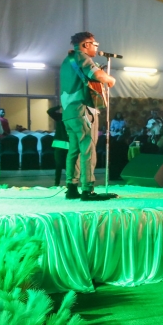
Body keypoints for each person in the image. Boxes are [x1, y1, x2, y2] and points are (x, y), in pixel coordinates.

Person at [59, 32, 116, 201]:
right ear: (85, 45)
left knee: (74, 150)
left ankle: (71, 187)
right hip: (82, 110)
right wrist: (110, 79)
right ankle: (87, 189)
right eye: (94, 44)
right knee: (88, 149)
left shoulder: (66, 61)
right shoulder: (81, 57)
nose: (96, 47)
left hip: (68, 112)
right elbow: (96, 75)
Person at [46, 105, 70, 186]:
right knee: (59, 164)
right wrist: (60, 106)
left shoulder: (72, 118)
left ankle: (69, 183)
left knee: (69, 165)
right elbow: (50, 111)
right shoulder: (60, 117)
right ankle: (57, 183)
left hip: (68, 144)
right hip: (60, 143)